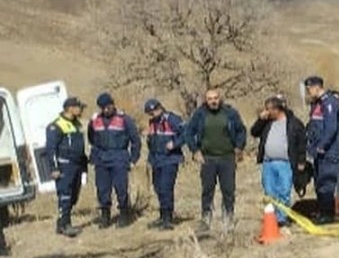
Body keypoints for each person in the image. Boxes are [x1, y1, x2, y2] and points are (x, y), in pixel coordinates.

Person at [185, 88, 246, 232]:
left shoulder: (230, 113)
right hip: (207, 159)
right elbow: (189, 133)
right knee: (207, 190)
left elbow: (241, 131)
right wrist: (195, 150)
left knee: (228, 190)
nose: (213, 101)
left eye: (216, 98)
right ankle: (206, 218)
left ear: (220, 98)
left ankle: (228, 217)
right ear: (205, 100)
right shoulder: (200, 114)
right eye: (210, 99)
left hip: (227, 158)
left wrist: (239, 147)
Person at [251, 95, 307, 225]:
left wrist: (301, 161)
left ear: (277, 109)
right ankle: (272, 218)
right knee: (270, 192)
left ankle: (282, 218)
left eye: (268, 109)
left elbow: (302, 143)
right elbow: (254, 132)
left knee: (284, 191)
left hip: (285, 163)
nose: (266, 112)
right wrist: (260, 120)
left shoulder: (294, 123)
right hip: (268, 163)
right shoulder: (267, 122)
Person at [87, 92, 141, 228]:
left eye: (108, 106)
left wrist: (133, 158)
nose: (106, 110)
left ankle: (124, 214)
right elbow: (91, 138)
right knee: (102, 190)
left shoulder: (124, 119)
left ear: (113, 104)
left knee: (121, 188)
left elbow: (135, 140)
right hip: (101, 159)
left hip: (119, 158)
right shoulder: (95, 121)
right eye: (103, 108)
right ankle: (105, 216)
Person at [44, 96, 88, 237]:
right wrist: (54, 168)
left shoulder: (76, 124)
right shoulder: (56, 126)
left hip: (76, 165)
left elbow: (80, 147)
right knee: (65, 195)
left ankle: (61, 223)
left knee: (73, 196)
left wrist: (84, 164)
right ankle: (65, 225)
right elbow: (51, 149)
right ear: (70, 108)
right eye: (79, 107)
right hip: (64, 165)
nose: (81, 110)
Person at [303, 76, 339, 222]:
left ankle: (327, 214)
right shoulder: (316, 104)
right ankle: (321, 211)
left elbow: (331, 129)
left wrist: (321, 146)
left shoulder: (329, 102)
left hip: (328, 152)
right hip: (317, 153)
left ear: (317, 87)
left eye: (309, 89)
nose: (308, 92)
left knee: (326, 184)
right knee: (319, 183)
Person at [144, 99, 185, 231]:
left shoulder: (172, 119)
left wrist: (175, 143)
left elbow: (185, 133)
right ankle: (162, 215)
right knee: (158, 188)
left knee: (166, 188)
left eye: (154, 110)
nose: (153, 114)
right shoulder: (152, 122)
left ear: (160, 108)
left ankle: (168, 219)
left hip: (170, 159)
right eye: (150, 113)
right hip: (156, 160)